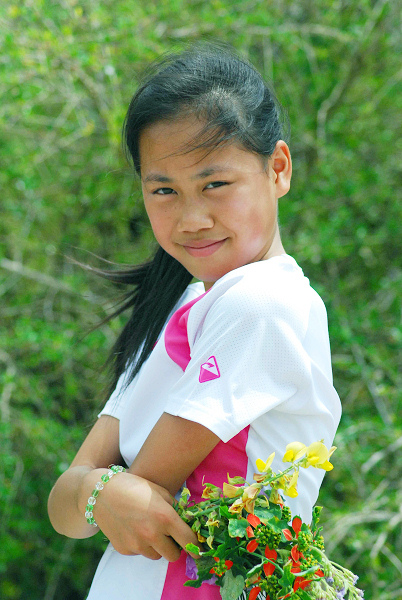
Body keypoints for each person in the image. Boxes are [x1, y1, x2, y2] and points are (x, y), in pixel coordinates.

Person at [48, 41, 341, 600]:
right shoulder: (178, 306)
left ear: (277, 169)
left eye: (215, 184)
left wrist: (95, 487)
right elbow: (68, 506)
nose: (192, 217)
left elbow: (134, 492)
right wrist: (96, 489)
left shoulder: (265, 302)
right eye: (164, 190)